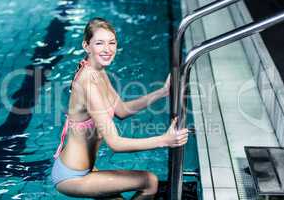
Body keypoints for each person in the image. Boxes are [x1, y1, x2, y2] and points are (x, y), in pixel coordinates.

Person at [51, 17, 188, 200]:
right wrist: (165, 140)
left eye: (112, 43)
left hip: (86, 169)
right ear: (86, 46)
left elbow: (121, 110)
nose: (107, 49)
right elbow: (115, 143)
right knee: (149, 181)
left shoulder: (98, 72)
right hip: (72, 176)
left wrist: (162, 92)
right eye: (99, 43)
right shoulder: (88, 84)